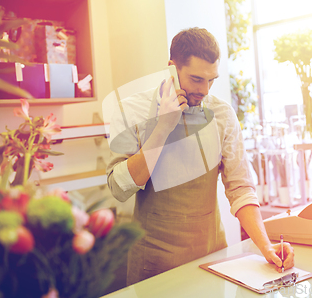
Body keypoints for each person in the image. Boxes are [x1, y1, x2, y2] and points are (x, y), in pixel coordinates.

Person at [106, 27, 294, 285]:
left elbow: (240, 188)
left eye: (211, 80)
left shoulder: (223, 115)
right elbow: (119, 188)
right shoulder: (132, 111)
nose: (205, 90)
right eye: (196, 79)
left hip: (213, 260)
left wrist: (266, 247)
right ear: (172, 68)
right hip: (154, 268)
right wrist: (162, 127)